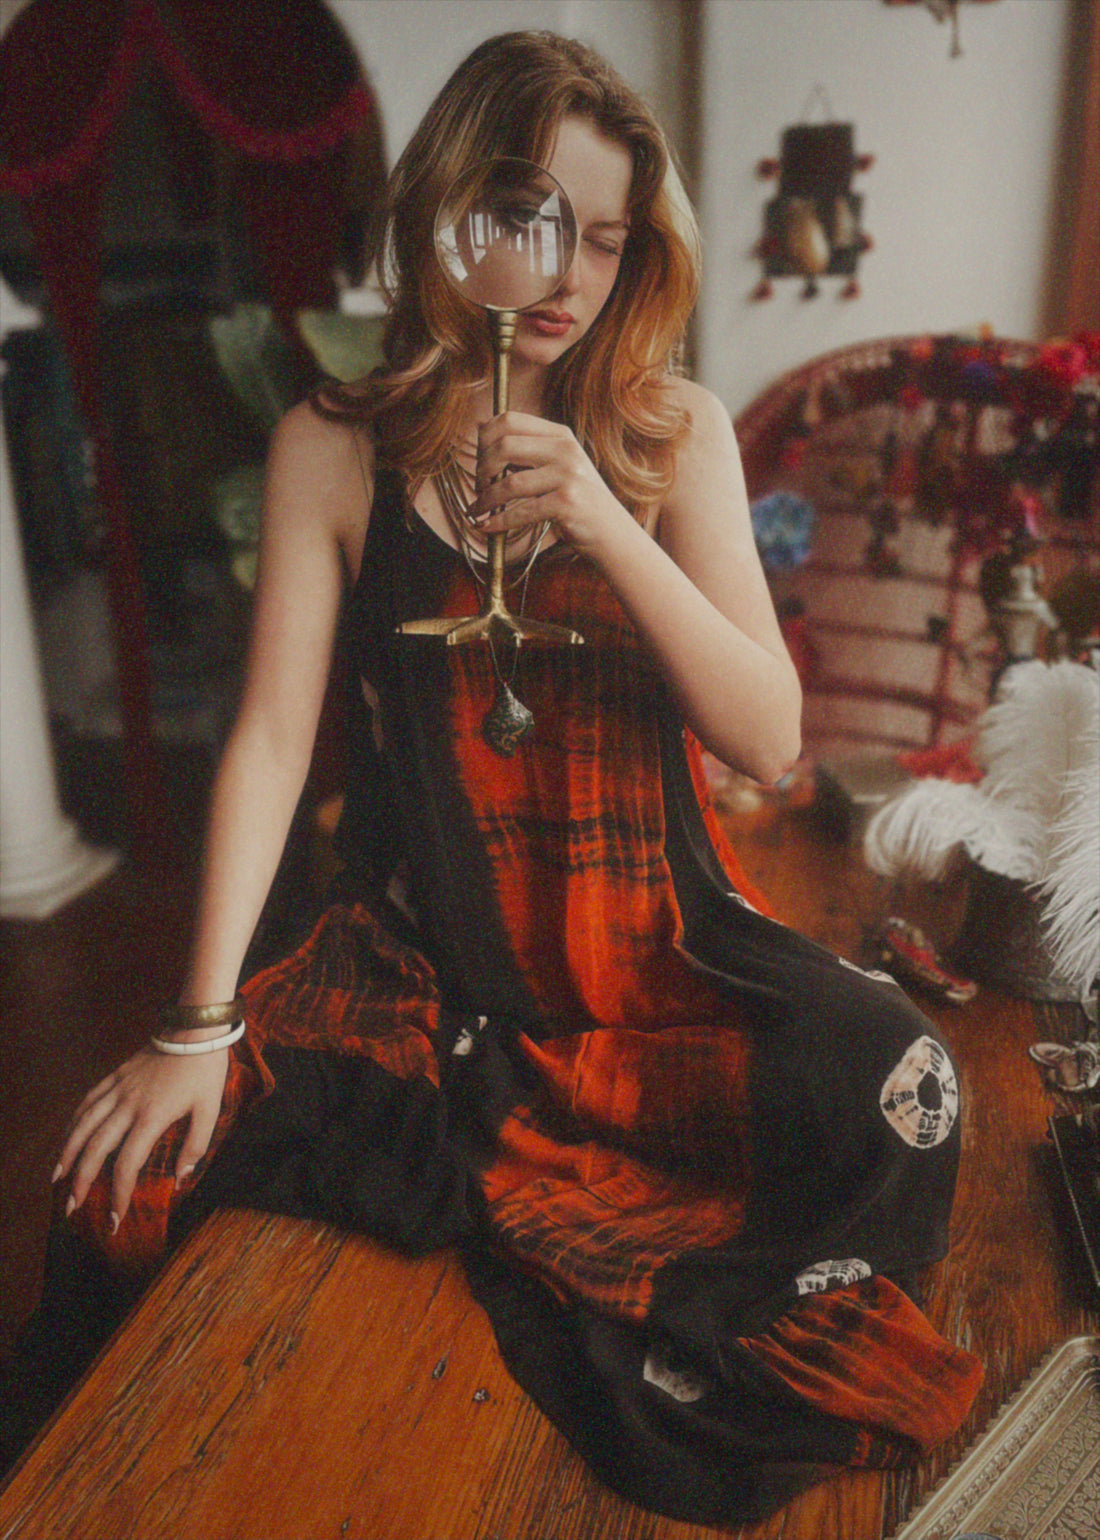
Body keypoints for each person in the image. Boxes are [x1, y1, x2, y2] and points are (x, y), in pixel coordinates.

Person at [10, 32, 982, 1524]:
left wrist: (601, 514)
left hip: (649, 955)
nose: (574, 276)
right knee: (119, 1186)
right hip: (420, 967)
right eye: (536, 226)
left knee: (901, 1086)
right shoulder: (333, 447)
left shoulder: (677, 432)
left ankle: (546, 1179)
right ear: (453, 218)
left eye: (607, 238)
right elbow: (272, 739)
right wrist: (196, 1023)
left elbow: (769, 739)